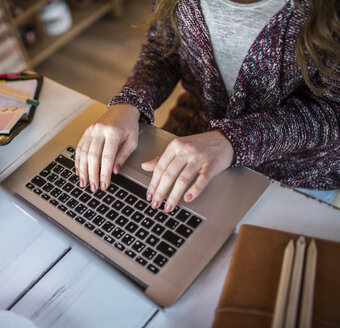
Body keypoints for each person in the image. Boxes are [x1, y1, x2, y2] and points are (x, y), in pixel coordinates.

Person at [75, 0, 340, 212]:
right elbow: (163, 50)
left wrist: (234, 141)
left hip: (296, 171)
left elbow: (333, 109)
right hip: (196, 131)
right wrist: (126, 104)